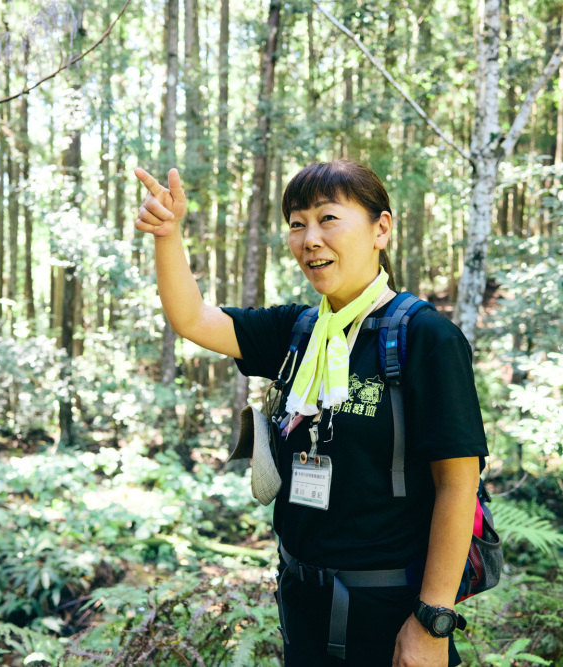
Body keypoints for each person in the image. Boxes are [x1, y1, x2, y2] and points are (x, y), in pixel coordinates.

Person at [133, 159, 488, 667]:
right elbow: (192, 318)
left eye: (328, 218)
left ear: (380, 229)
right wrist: (168, 235)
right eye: (297, 224)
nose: (310, 239)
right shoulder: (296, 333)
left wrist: (432, 622)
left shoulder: (426, 338)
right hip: (303, 602)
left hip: (389, 611)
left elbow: (458, 485)